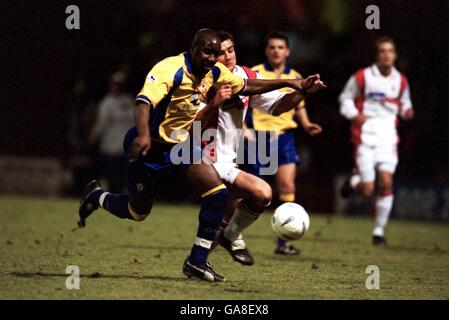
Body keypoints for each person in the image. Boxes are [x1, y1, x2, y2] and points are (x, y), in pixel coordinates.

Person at [78, 28, 323, 282]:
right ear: (194, 48)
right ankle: (98, 197)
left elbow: (250, 87)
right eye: (212, 52)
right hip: (151, 146)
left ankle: (197, 261)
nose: (217, 57)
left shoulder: (219, 74)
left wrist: (293, 84)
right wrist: (142, 134)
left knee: (220, 194)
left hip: (181, 148)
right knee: (137, 211)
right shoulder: (169, 69)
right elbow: (144, 102)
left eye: (223, 51)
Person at [197, 31, 326, 266]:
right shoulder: (202, 80)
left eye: (230, 50)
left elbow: (278, 106)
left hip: (228, 161)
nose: (227, 56)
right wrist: (213, 103)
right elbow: (189, 122)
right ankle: (227, 239)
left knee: (251, 198)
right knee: (244, 196)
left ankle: (210, 251)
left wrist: (302, 91)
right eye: (220, 53)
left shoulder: (246, 76)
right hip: (201, 158)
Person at [245, 31, 323, 255]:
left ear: (287, 51)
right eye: (272, 47)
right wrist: (242, 128)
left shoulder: (296, 75)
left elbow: (299, 105)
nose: (276, 51)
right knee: (253, 191)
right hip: (259, 137)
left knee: (287, 186)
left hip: (285, 137)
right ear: (266, 50)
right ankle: (233, 232)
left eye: (280, 47)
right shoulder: (256, 73)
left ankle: (283, 241)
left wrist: (307, 124)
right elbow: (243, 102)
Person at [339, 36, 414, 245]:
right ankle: (355, 180)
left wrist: (407, 111)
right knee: (367, 190)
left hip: (388, 139)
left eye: (390, 51)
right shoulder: (363, 77)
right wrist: (354, 115)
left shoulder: (401, 81)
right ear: (377, 55)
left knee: (387, 181)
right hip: (365, 137)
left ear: (395, 55)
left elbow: (405, 105)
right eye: (382, 51)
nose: (387, 54)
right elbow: (345, 98)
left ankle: (378, 232)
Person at [89, 71, 135, 193]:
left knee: (121, 178)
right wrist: (94, 135)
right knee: (112, 178)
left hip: (122, 148)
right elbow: (101, 123)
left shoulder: (129, 102)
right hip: (111, 146)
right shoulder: (108, 103)